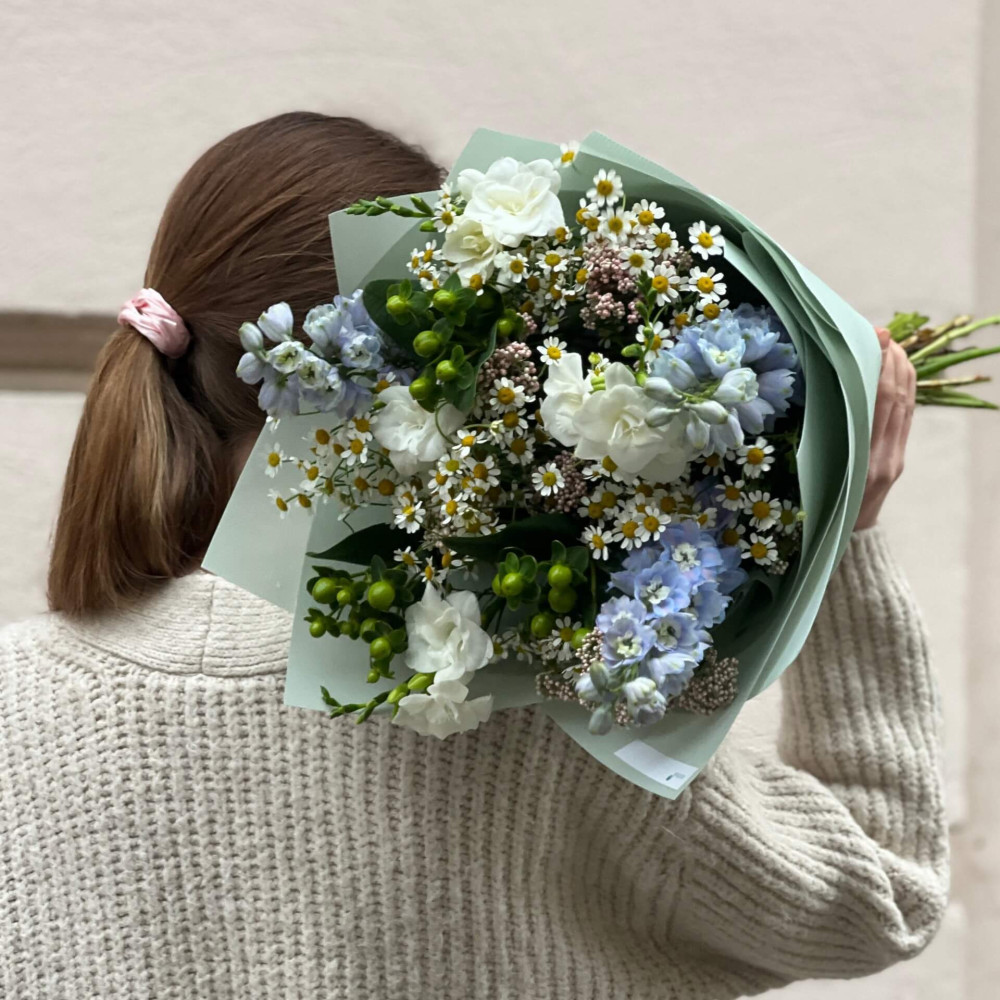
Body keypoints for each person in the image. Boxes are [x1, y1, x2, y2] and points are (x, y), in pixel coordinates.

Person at [0, 113, 946, 999]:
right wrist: (844, 527)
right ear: (425, 339)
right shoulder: (532, 711)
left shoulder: (17, 706)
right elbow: (884, 892)